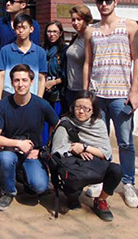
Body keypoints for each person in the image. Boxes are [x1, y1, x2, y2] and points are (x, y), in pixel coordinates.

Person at [83, 0, 138, 208]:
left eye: (108, 1)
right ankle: (100, 179)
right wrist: (86, 94)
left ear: (115, 2)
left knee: (126, 142)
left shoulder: (129, 26)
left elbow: (137, 59)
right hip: (98, 95)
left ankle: (128, 183)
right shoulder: (91, 30)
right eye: (100, 1)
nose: (104, 5)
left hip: (121, 96)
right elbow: (88, 63)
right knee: (99, 140)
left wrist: (135, 90)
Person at [0, 64, 58, 211]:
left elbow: (58, 127)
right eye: (17, 80)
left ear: (32, 82)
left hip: (33, 154)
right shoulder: (3, 105)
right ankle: (8, 192)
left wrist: (44, 150)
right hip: (10, 151)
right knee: (6, 159)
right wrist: (18, 143)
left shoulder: (42, 105)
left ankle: (23, 177)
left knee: (40, 187)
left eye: (25, 80)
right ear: (12, 82)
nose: (21, 84)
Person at [50, 90, 122, 222]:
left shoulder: (99, 124)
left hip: (94, 166)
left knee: (116, 170)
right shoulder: (65, 123)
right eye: (78, 107)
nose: (81, 111)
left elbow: (106, 153)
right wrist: (75, 150)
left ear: (93, 110)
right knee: (72, 187)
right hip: (74, 168)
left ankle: (100, 201)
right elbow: (57, 150)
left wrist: (84, 147)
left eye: (86, 108)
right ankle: (72, 196)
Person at [0, 14, 46, 100]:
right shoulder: (5, 50)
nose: (21, 31)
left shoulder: (40, 52)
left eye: (24, 27)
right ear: (14, 30)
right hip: (9, 95)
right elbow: (1, 76)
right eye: (18, 27)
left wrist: (39, 99)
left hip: (31, 96)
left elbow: (41, 78)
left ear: (31, 29)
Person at [0, 0, 40, 72]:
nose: (8, 3)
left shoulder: (33, 25)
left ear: (23, 5)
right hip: (3, 72)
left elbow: (34, 52)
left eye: (12, 1)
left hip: (25, 74)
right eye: (7, 1)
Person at [42, 20, 68, 144]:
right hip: (43, 92)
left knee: (56, 121)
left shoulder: (64, 50)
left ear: (60, 33)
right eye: (49, 31)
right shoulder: (42, 49)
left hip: (58, 93)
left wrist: (53, 82)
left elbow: (67, 74)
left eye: (55, 32)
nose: (51, 34)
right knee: (43, 122)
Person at [65, 5, 93, 107]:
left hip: (82, 90)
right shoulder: (76, 37)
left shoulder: (90, 37)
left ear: (86, 20)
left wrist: (86, 91)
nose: (75, 23)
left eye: (79, 19)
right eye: (73, 20)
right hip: (71, 88)